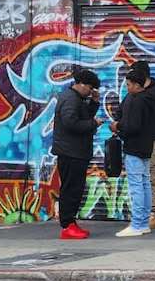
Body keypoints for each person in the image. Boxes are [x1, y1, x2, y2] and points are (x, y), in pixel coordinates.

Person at [52, 68, 104, 240]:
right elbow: (71, 123)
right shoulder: (70, 99)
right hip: (71, 152)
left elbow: (83, 117)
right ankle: (67, 225)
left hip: (76, 152)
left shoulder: (76, 99)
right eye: (90, 88)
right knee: (71, 189)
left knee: (75, 188)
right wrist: (93, 124)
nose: (91, 92)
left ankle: (70, 223)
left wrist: (94, 104)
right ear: (82, 85)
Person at [111, 64, 155, 237]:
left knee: (137, 186)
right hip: (145, 147)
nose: (127, 87)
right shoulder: (149, 99)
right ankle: (143, 222)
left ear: (137, 85)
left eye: (129, 84)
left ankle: (137, 224)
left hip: (134, 147)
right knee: (144, 183)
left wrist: (118, 126)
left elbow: (133, 126)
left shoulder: (137, 101)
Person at [128, 60, 155, 229]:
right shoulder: (133, 92)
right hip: (139, 141)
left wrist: (146, 126)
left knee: (151, 175)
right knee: (140, 178)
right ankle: (143, 213)